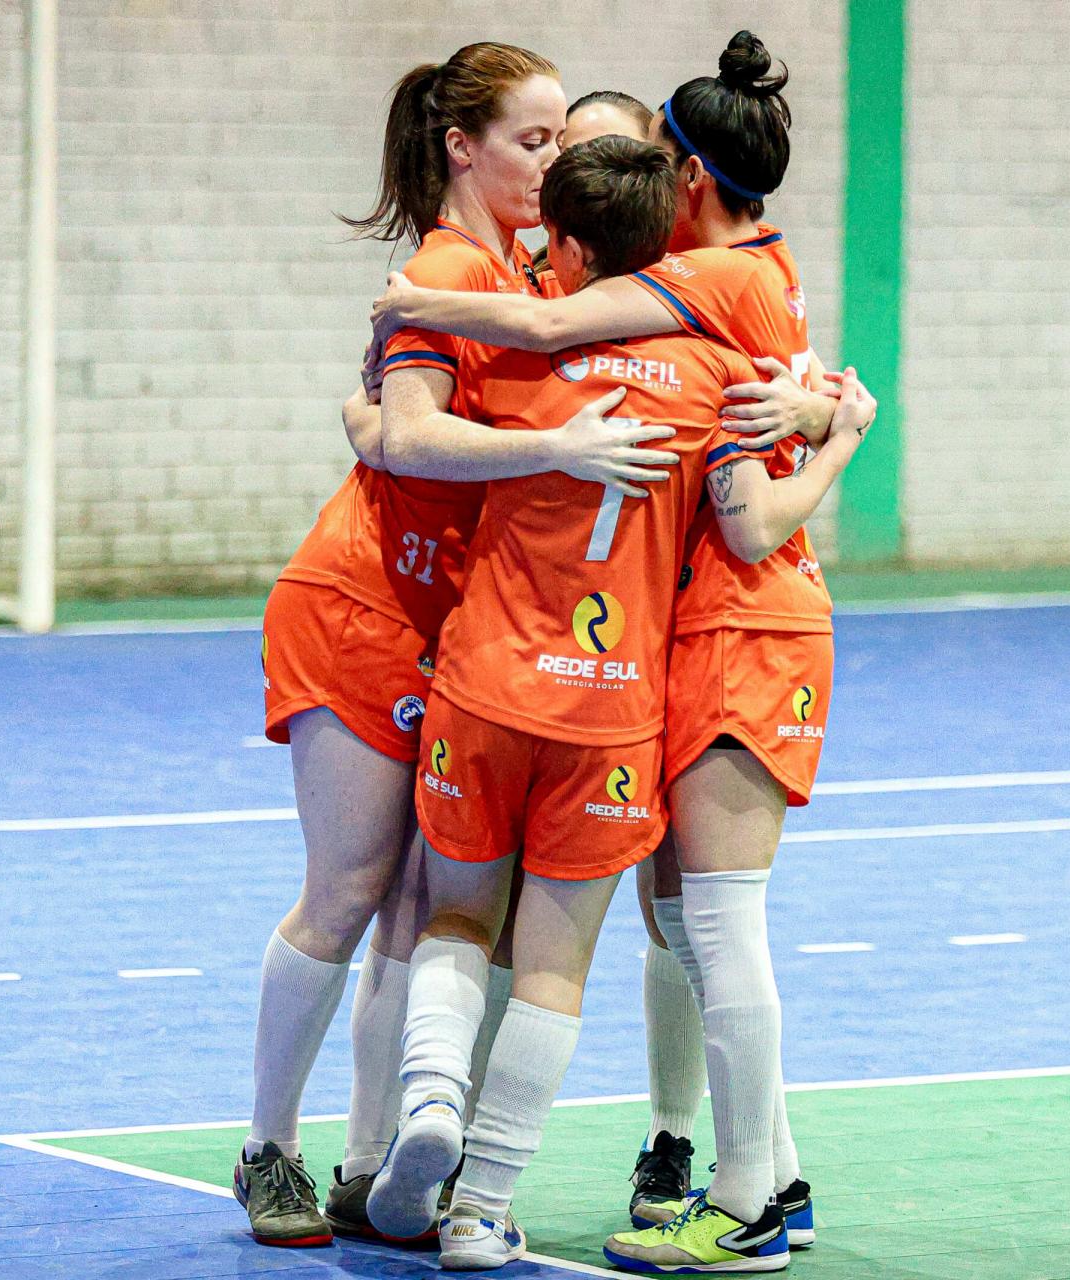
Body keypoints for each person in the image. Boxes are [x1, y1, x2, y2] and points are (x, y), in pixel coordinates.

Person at [371, 31, 848, 1269]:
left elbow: (535, 358)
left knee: (672, 921)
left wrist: (404, 337)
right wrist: (826, 409)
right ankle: (728, 1174)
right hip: (640, 672)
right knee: (662, 927)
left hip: (706, 631)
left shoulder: (628, 317)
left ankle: (723, 1186)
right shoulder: (718, 317)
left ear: (672, 175)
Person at [235, 42, 681, 1250]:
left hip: (464, 633)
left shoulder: (534, 275)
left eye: (564, 146)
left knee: (424, 907)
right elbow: (413, 439)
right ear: (462, 148)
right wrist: (548, 451)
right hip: (361, 607)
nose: (553, 165)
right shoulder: (443, 265)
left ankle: (375, 1164)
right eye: (534, 143)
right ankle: (266, 1145)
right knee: (348, 890)